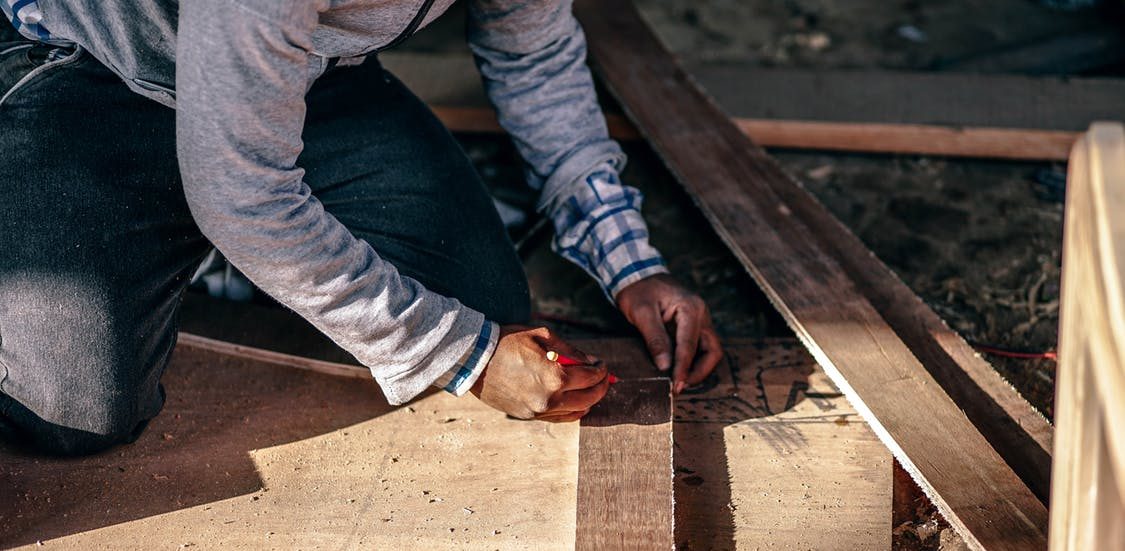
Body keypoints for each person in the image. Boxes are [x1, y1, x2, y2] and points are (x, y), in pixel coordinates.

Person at [0, 0, 722, 456]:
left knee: (485, 304)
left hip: (301, 77)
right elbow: (243, 193)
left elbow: (532, 57)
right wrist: (463, 354)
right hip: (96, 70)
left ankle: (226, 259)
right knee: (72, 413)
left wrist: (629, 262)